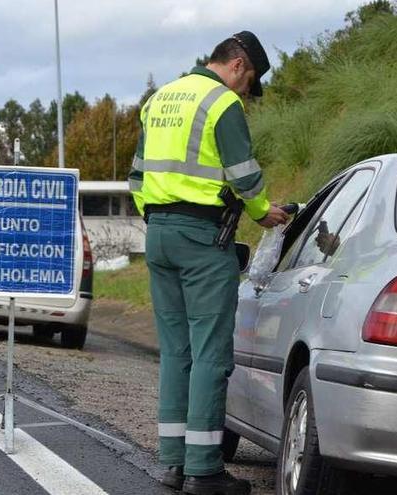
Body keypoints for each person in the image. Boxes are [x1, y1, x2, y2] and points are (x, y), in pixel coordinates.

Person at [128, 31, 289, 495]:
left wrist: (160, 218)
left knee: (176, 353)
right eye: (249, 80)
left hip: (158, 235)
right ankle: (203, 470)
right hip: (203, 239)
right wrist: (263, 213)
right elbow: (244, 174)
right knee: (210, 356)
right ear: (238, 64)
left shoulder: (159, 99)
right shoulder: (221, 104)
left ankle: (173, 464)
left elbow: (136, 175)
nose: (246, 92)